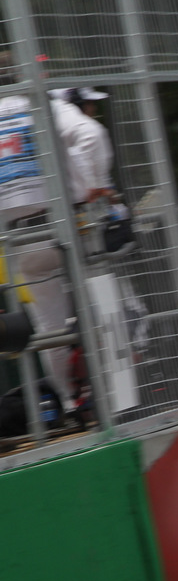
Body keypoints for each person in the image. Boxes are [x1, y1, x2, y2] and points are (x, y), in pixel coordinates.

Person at [0, 61, 78, 418]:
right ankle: (108, 391)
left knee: (49, 325)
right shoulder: (36, 103)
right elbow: (77, 145)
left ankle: (68, 397)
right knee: (94, 306)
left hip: (18, 237)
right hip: (58, 223)